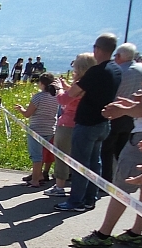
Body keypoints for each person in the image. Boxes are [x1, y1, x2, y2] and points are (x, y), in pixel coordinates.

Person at [69, 60, 142, 248]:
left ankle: (103, 235)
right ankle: (136, 231)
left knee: (122, 186)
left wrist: (124, 110)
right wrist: (134, 104)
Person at [54, 33, 121, 212]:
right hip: (103, 123)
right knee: (94, 163)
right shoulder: (115, 70)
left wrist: (60, 89)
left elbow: (68, 97)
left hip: (86, 123)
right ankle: (90, 198)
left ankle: (75, 201)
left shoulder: (96, 72)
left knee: (80, 165)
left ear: (97, 49)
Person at [44, 53, 98, 197]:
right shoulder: (92, 83)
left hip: (67, 123)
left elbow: (63, 100)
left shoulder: (80, 83)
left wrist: (59, 88)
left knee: (61, 155)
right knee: (82, 157)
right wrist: (67, 86)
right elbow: (76, 95)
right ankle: (83, 189)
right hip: (82, 123)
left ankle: (59, 185)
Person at [101, 42, 142, 183]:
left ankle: (106, 178)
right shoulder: (141, 69)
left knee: (107, 149)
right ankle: (122, 177)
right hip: (132, 115)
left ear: (120, 56)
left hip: (118, 111)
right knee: (121, 149)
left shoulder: (119, 72)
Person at [14, 73, 58, 187]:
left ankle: (35, 180)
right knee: (44, 153)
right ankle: (40, 175)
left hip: (37, 130)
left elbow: (27, 114)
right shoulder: (56, 97)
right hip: (50, 129)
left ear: (41, 83)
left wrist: (21, 109)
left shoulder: (38, 97)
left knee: (36, 156)